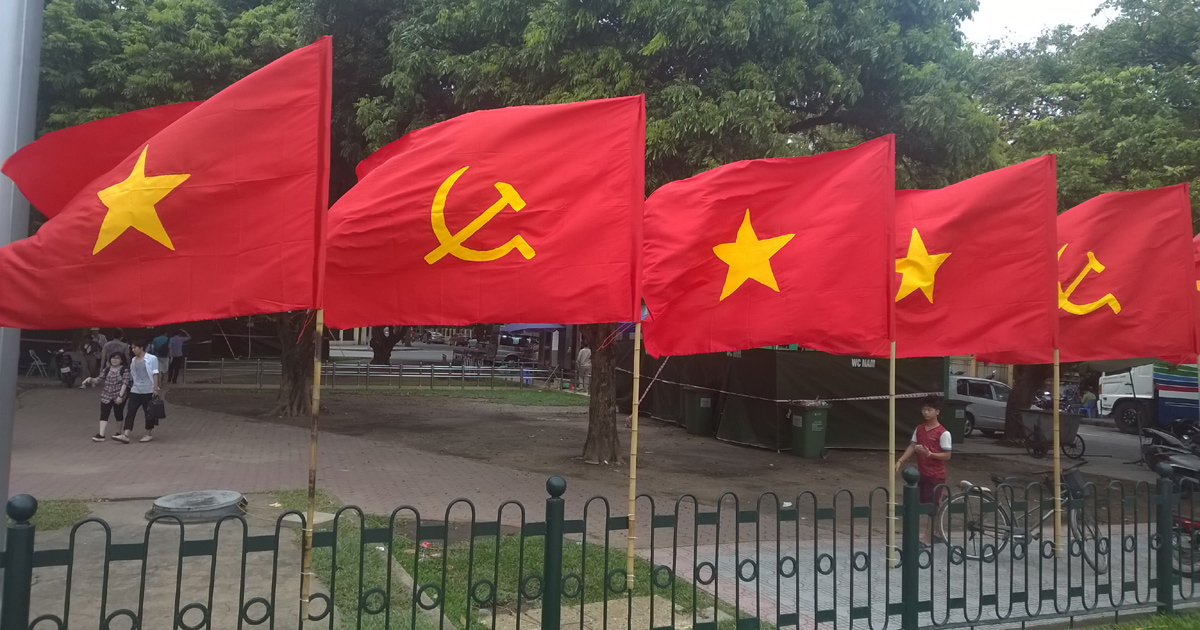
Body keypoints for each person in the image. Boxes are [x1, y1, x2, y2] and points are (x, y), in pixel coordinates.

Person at [895, 395, 952, 545]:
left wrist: (930, 454)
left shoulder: (943, 433)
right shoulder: (919, 429)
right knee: (921, 504)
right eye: (924, 409)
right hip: (921, 474)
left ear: (937, 411)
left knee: (930, 507)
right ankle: (937, 531)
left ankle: (927, 538)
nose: (926, 412)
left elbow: (947, 455)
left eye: (930, 409)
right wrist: (900, 460)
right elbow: (912, 445)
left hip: (936, 475)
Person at [112, 339, 161, 444]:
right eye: (132, 348)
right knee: (130, 411)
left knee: (148, 412)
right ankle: (126, 434)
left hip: (148, 390)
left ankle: (148, 433)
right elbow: (133, 374)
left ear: (141, 347)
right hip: (135, 390)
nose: (133, 350)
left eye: (135, 347)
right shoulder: (133, 360)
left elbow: (155, 373)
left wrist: (155, 388)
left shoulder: (152, 359)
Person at [82, 353, 130, 442]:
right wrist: (90, 379)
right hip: (106, 395)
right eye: (113, 358)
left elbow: (125, 383)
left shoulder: (124, 370)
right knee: (104, 414)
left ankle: (118, 432)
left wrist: (120, 396)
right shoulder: (107, 370)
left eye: (117, 358)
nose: (114, 360)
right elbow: (98, 379)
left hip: (118, 395)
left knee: (118, 414)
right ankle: (101, 434)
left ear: (121, 360)